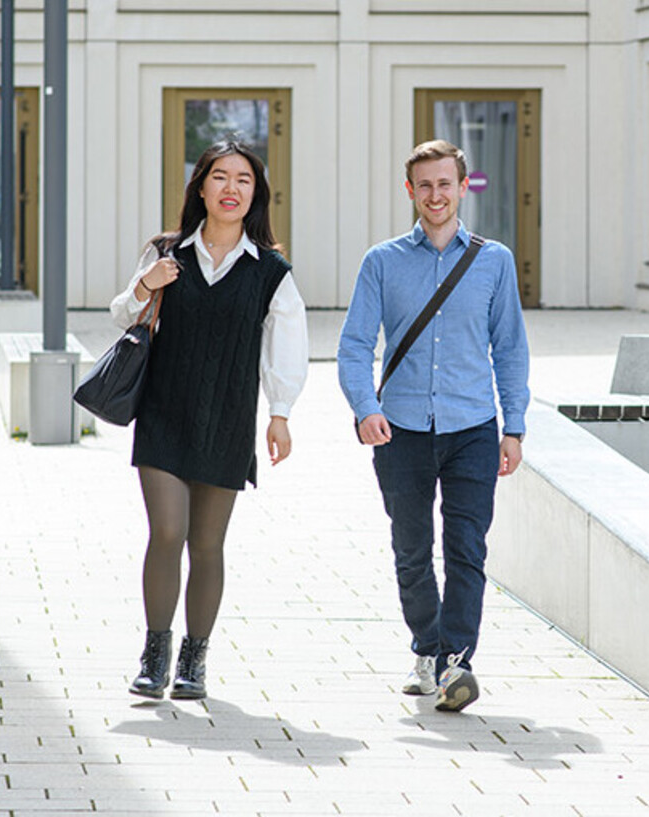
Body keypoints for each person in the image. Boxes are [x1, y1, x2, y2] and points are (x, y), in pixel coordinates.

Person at [110, 139, 308, 700]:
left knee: (208, 544)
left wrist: (281, 413)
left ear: (256, 195)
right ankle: (155, 652)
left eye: (243, 180)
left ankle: (193, 662)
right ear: (201, 187)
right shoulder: (167, 253)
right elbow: (121, 311)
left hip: (226, 420)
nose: (230, 189)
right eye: (219, 177)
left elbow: (286, 347)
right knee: (167, 532)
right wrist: (148, 283)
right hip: (164, 414)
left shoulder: (271, 272)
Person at [337, 139, 531, 713]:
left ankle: (455, 663)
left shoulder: (493, 260)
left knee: (467, 548)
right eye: (424, 185)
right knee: (412, 550)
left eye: (445, 184)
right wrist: (365, 407)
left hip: (473, 426)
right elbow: (353, 347)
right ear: (410, 192)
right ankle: (427, 646)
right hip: (401, 430)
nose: (435, 195)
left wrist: (513, 427)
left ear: (462, 186)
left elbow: (511, 349)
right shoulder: (382, 262)